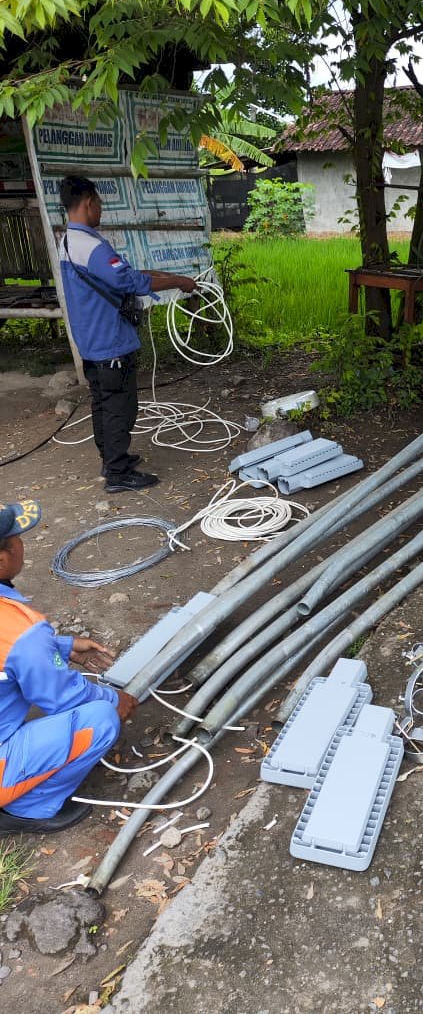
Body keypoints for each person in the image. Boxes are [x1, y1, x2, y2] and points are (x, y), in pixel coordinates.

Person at [0, 499, 137, 835]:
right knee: (100, 720)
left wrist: (61, 646)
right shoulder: (18, 629)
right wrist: (114, 700)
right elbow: (63, 697)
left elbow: (13, 652)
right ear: (2, 558)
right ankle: (26, 809)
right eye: (17, 537)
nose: (22, 544)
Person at [59, 175, 198, 492]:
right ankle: (118, 474)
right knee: (120, 406)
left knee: (102, 403)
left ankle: (112, 459)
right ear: (89, 202)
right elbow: (130, 283)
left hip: (91, 340)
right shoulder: (90, 245)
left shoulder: (68, 242)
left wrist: (162, 274)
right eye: (100, 203)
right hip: (109, 341)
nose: (101, 210)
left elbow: (122, 274)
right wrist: (178, 280)